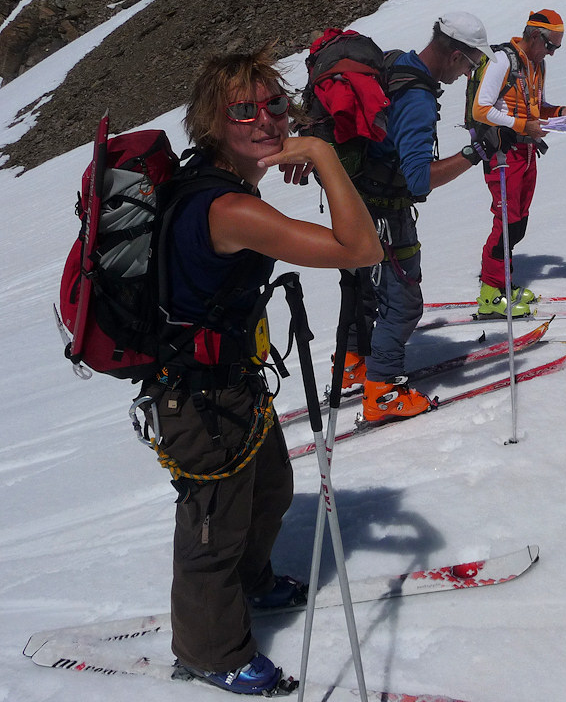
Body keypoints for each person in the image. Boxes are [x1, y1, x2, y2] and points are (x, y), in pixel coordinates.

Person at [141, 43, 381, 695]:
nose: (267, 119)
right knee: (212, 528)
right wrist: (324, 155)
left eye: (275, 103)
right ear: (213, 124)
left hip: (230, 388)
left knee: (270, 488)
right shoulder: (232, 210)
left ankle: (253, 583)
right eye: (243, 110)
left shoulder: (222, 186)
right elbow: (360, 249)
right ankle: (207, 651)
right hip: (196, 398)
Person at [345, 12, 495, 424]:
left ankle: (353, 364)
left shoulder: (394, 63)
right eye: (469, 64)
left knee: (366, 289)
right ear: (454, 54)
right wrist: (475, 153)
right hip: (385, 212)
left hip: (354, 201)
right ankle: (382, 390)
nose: (468, 74)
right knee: (404, 303)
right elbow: (417, 181)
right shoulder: (417, 98)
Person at [469, 9, 566, 317]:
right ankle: (490, 295)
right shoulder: (503, 60)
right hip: (503, 153)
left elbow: (535, 107)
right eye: (551, 45)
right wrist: (521, 126)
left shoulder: (536, 64)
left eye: (557, 47)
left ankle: (504, 284)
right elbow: (481, 110)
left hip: (526, 153)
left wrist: (559, 112)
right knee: (505, 222)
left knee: (518, 222)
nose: (553, 53)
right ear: (534, 36)